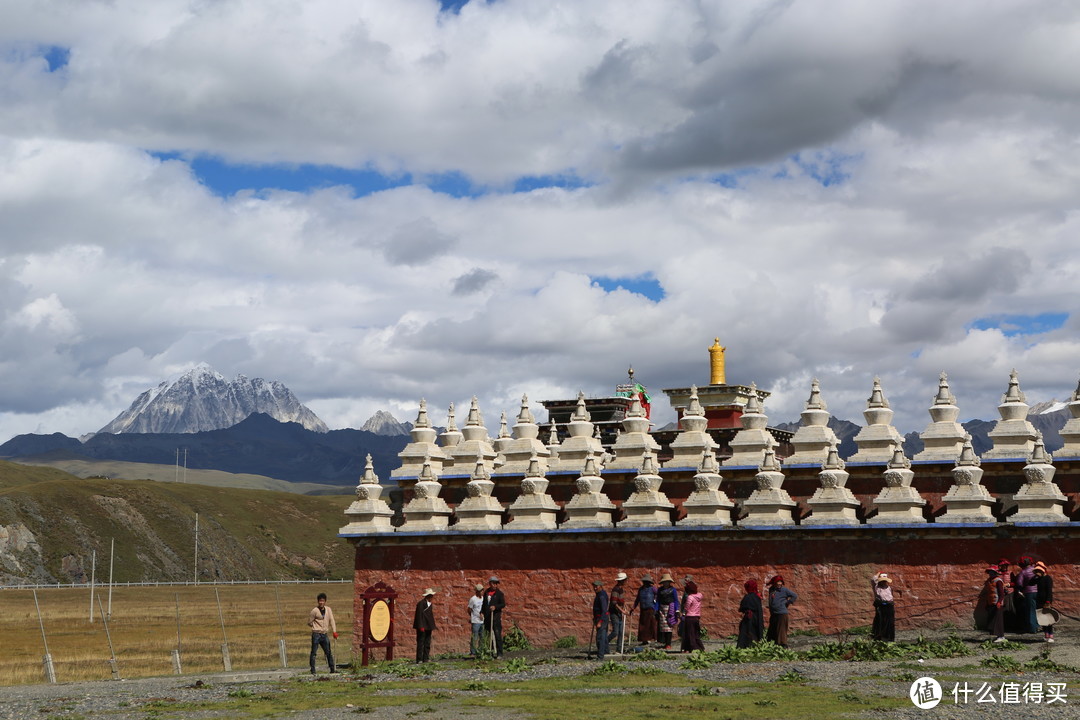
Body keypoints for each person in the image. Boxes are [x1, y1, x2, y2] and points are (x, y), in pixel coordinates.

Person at [307, 592, 338, 675]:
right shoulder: (314, 611)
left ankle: (332, 669)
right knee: (314, 652)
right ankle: (313, 670)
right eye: (320, 601)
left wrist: (334, 631)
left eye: (323, 601)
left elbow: (332, 620)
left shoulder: (328, 609)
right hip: (316, 634)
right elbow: (309, 622)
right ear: (318, 601)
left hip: (324, 634)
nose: (321, 602)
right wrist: (316, 627)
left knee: (328, 652)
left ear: (325, 601)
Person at [766, 575, 797, 648]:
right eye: (777, 582)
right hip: (774, 613)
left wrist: (788, 603)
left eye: (780, 582)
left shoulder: (784, 590)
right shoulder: (771, 589)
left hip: (782, 613)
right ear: (774, 583)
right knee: (773, 629)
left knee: (781, 630)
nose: (779, 583)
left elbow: (794, 595)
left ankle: (783, 645)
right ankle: (772, 643)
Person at [481, 576, 506, 658]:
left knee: (497, 635)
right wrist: (482, 612)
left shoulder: (499, 594)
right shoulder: (486, 593)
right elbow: (484, 604)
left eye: (496, 583)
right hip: (488, 617)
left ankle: (499, 653)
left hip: (495, 617)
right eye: (493, 583)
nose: (495, 585)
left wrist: (495, 607)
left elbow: (503, 604)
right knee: (488, 635)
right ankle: (490, 651)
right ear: (490, 583)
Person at [656, 573, 681, 649]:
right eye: (664, 581)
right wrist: (656, 609)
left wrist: (676, 609)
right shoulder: (659, 590)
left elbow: (676, 600)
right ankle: (664, 641)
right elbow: (658, 600)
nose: (666, 583)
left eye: (667, 581)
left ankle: (668, 644)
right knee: (663, 627)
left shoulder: (673, 590)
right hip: (662, 609)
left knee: (669, 626)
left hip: (670, 609)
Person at [1014, 557, 1039, 634]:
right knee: (1036, 609)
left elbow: (1019, 584)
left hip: (1029, 592)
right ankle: (1037, 625)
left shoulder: (1023, 572)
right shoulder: (1035, 570)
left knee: (1030, 611)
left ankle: (1032, 628)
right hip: (1038, 591)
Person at [736, 579, 764, 648]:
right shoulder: (757, 597)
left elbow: (742, 607)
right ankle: (754, 645)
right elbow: (759, 609)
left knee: (745, 631)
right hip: (755, 617)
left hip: (747, 617)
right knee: (754, 631)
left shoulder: (747, 597)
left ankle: (744, 645)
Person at [412, 588, 437, 663]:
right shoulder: (421, 604)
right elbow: (419, 615)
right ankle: (419, 658)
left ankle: (426, 658)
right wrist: (421, 626)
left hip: (428, 626)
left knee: (427, 642)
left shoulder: (430, 604)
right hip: (422, 626)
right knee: (421, 642)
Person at [632, 575, 658, 645]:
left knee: (651, 624)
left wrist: (656, 605)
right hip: (643, 609)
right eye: (644, 582)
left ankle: (653, 639)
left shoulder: (653, 589)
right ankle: (644, 640)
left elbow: (658, 596)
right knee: (643, 625)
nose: (645, 583)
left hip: (651, 609)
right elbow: (637, 599)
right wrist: (633, 607)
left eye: (646, 582)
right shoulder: (641, 589)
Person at [680, 580, 704, 652]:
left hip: (689, 617)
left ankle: (691, 647)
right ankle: (699, 646)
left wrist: (683, 613)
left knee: (689, 633)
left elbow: (687, 607)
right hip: (696, 617)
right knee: (696, 633)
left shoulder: (690, 597)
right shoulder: (699, 596)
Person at [1033, 562, 1055, 642]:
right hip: (1039, 600)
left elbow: (1049, 591)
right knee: (1042, 618)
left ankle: (1051, 635)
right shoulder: (1038, 579)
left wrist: (1048, 601)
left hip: (1046, 600)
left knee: (1048, 618)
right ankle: (1046, 634)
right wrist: (1035, 576)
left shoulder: (1048, 578)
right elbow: (1030, 583)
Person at [984, 566, 1006, 643]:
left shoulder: (998, 581)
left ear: (995, 573)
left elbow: (1002, 594)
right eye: (989, 572)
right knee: (993, 619)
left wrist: (999, 602)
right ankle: (996, 635)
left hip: (997, 602)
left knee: (998, 620)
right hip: (991, 602)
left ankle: (1001, 636)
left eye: (991, 572)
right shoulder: (989, 581)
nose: (990, 574)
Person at [607, 571, 628, 653]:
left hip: (619, 613)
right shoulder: (616, 589)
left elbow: (621, 601)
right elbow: (614, 602)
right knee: (615, 631)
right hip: (614, 613)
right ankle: (604, 643)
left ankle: (619, 649)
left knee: (621, 631)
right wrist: (621, 610)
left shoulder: (621, 589)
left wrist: (624, 607)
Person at [871, 572, 895, 642]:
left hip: (889, 606)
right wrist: (879, 573)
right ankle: (879, 637)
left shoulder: (889, 588)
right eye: (882, 580)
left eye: (885, 581)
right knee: (881, 621)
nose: (884, 582)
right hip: (881, 606)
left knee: (890, 621)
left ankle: (889, 637)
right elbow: (873, 580)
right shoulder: (877, 587)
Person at [592, 579, 609, 660]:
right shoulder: (599, 594)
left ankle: (600, 656)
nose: (595, 588)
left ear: (601, 587)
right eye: (594, 586)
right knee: (604, 637)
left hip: (602, 618)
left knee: (600, 637)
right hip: (599, 618)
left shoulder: (601, 596)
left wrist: (600, 621)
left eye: (596, 586)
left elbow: (604, 610)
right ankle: (606, 652)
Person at [467, 583, 485, 656]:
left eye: (482, 590)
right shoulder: (473, 599)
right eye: (479, 591)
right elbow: (469, 609)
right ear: (477, 591)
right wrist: (473, 616)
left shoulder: (484, 598)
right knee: (475, 636)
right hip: (475, 621)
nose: (481, 592)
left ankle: (481, 650)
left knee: (482, 636)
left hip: (482, 620)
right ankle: (473, 651)